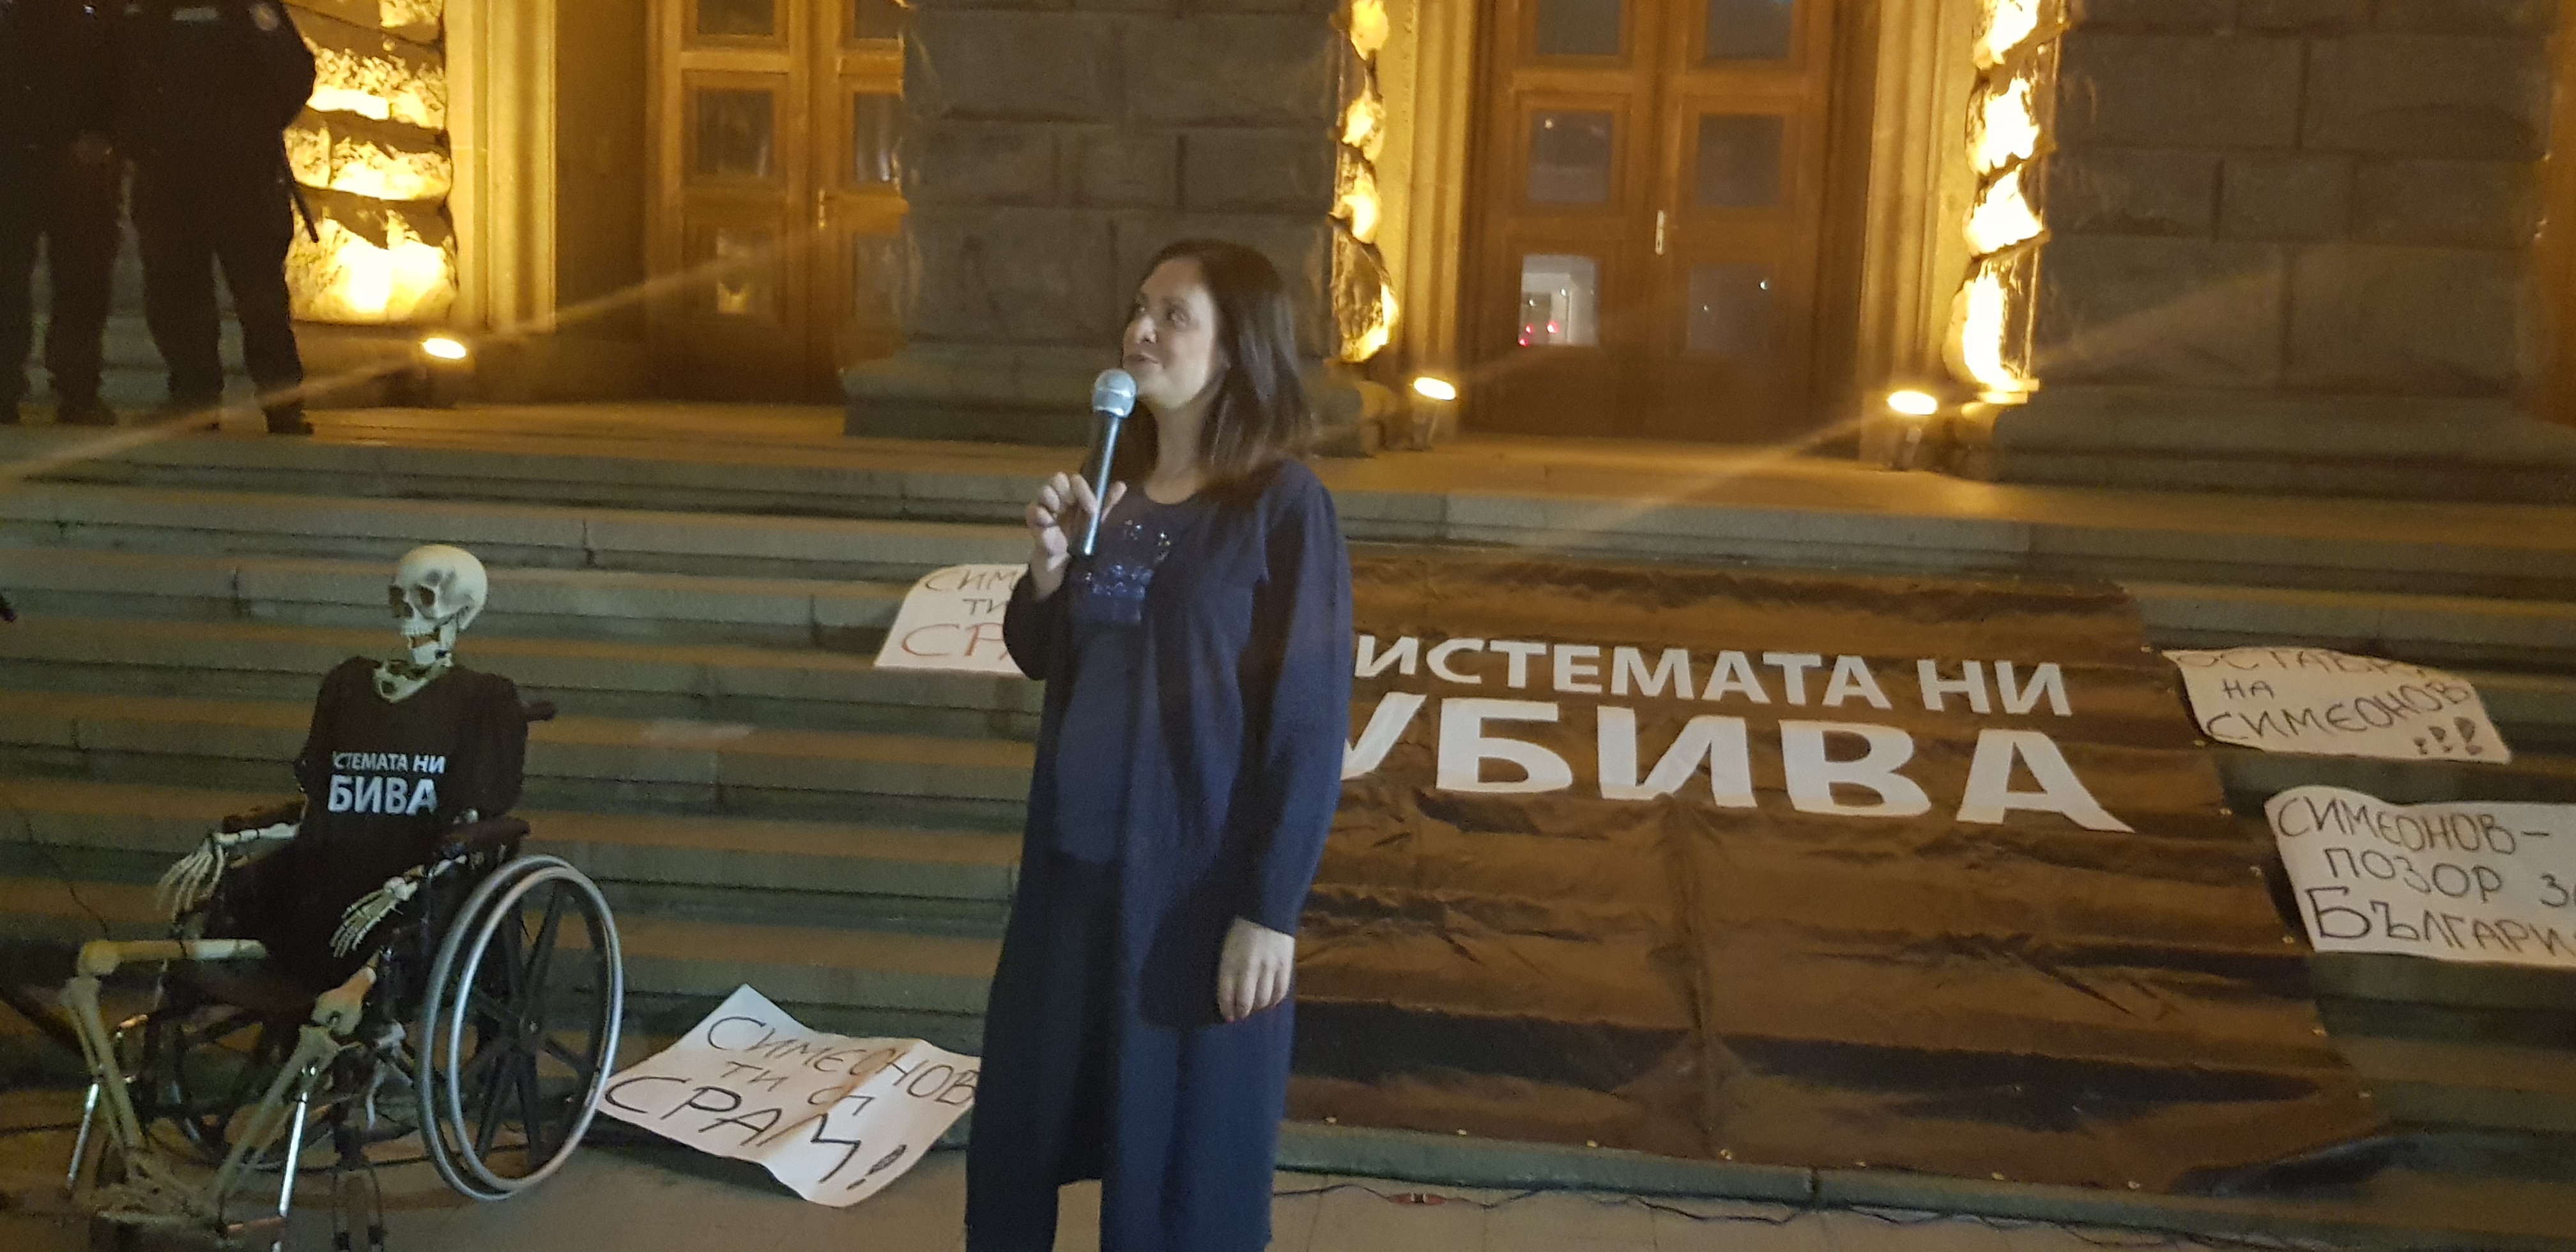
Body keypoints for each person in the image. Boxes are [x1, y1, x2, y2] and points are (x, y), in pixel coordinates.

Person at [968, 240, 1354, 1252]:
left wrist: (1270, 909)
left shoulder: (1281, 508)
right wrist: (1049, 576)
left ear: (1234, 351)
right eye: (1140, 308)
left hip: (1190, 897)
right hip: (1071, 884)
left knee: (1179, 1173)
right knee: (1025, 1128)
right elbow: (1046, 654)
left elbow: (1309, 725)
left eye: (1173, 316)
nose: (1139, 331)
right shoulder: (1117, 488)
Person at [109, 0, 315, 435]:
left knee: (259, 293)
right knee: (175, 293)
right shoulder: (143, 11)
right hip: (167, 174)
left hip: (240, 176)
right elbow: (114, 78)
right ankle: (193, 398)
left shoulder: (246, 6)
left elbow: (294, 72)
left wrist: (251, 131)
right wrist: (138, 140)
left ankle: (281, 401)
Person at [0, 0, 121, 427]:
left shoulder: (99, 12)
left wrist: (106, 132)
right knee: (5, 281)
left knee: (83, 282)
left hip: (81, 164)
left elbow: (122, 68)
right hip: (11, 159)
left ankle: (78, 389)